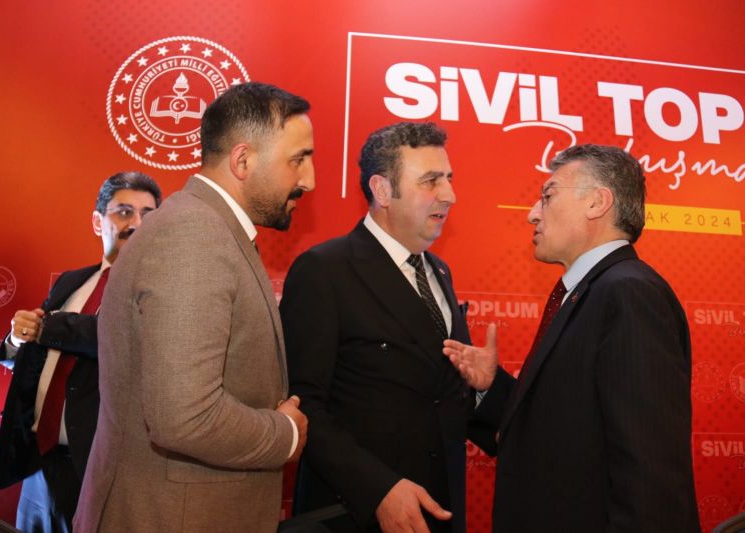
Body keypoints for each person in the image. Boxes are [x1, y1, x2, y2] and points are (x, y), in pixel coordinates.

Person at [73, 82, 314, 533]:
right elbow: (183, 417)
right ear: (243, 161)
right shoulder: (194, 236)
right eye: (298, 159)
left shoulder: (208, 228)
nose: (309, 180)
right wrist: (285, 435)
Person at [443, 144, 700, 532]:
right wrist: (491, 386)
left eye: (548, 196)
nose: (532, 213)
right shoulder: (590, 291)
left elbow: (649, 467)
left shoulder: (628, 293)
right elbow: (566, 430)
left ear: (597, 202)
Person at [280, 122, 493, 533]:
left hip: (438, 514)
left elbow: (441, 395)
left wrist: (484, 389)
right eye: (430, 181)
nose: (449, 195)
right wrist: (377, 489)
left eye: (448, 178)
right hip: (355, 516)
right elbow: (303, 405)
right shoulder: (324, 270)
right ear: (381, 190)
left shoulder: (439, 272)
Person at [0, 171, 162, 533]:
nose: (137, 224)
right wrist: (19, 339)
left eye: (148, 215)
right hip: (39, 464)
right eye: (124, 212)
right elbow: (36, 355)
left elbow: (118, 338)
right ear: (97, 222)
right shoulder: (72, 282)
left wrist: (48, 327)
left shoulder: (161, 291)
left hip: (103, 471)